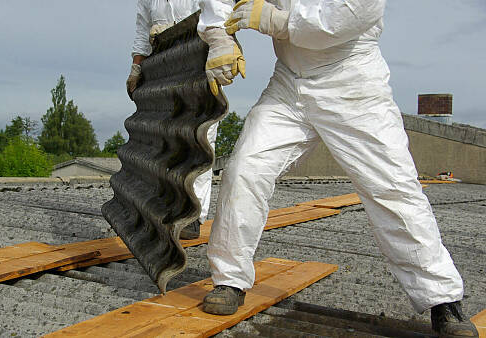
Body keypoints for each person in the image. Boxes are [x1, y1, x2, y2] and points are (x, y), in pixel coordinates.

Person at [198, 0, 478, 337]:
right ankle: (229, 281)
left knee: (392, 188)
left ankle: (442, 301)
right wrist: (219, 38)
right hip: (288, 84)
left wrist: (279, 21)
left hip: (352, 82)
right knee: (244, 169)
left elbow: (350, 15)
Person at [127, 0, 244, 239]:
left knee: (199, 137)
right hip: (163, 64)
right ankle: (166, 207)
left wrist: (222, 42)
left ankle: (193, 215)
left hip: (199, 59)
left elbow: (218, 12)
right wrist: (137, 66)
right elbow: (142, 29)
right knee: (164, 138)